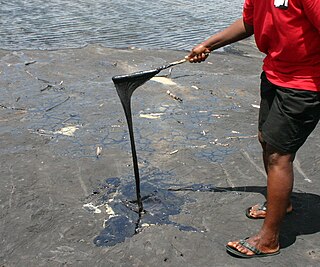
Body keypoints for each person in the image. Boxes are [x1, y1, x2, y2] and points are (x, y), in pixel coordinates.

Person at [187, 0, 320, 258]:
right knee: (266, 139)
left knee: (278, 156)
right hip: (274, 73)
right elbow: (250, 23)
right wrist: (209, 44)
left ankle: (268, 239)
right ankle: (280, 204)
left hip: (304, 84)